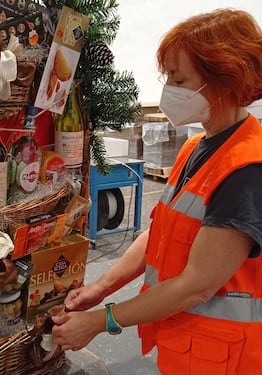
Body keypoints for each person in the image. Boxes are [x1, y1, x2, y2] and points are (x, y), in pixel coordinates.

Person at [52, 8, 262, 374]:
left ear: (224, 79)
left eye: (179, 80)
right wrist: (100, 288)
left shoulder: (246, 169)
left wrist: (101, 320)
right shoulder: (196, 147)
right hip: (188, 345)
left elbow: (196, 286)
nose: (169, 92)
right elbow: (159, 234)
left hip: (227, 357)